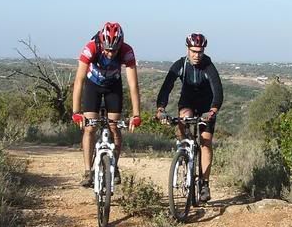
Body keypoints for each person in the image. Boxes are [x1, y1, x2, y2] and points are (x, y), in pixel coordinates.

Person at [72, 22, 141, 187]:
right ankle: (88, 171)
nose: (110, 54)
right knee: (89, 128)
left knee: (114, 126)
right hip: (92, 85)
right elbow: (79, 81)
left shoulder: (126, 51)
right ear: (102, 43)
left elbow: (133, 84)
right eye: (107, 49)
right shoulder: (91, 48)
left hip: (113, 87)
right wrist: (76, 111)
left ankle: (114, 167)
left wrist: (136, 114)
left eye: (114, 50)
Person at [155, 32, 223, 202]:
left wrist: (213, 111)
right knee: (183, 119)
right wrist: (161, 108)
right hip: (188, 101)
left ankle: (204, 183)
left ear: (204, 50)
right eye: (193, 51)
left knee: (206, 140)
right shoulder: (180, 64)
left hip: (206, 105)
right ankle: (184, 151)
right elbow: (166, 87)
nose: (196, 55)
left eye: (200, 51)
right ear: (187, 49)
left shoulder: (208, 66)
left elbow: (218, 91)